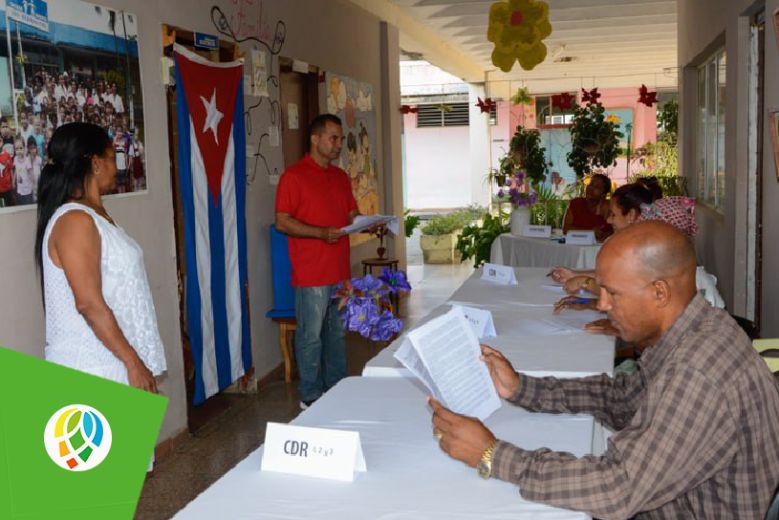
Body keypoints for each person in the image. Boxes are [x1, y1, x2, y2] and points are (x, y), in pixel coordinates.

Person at [430, 222, 779, 518]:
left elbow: (618, 488)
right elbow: (623, 398)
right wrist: (522, 387)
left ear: (659, 293)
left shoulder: (699, 372)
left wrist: (493, 455)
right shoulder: (695, 328)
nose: (601, 304)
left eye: (613, 293)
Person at [35, 122, 166, 395]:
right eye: (112, 157)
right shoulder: (74, 221)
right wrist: (132, 361)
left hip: (110, 364)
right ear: (95, 163)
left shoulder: (93, 216)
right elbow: (88, 303)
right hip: (90, 371)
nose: (116, 166)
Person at [275, 113, 357, 409]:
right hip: (311, 273)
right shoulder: (294, 177)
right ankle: (310, 396)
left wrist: (368, 223)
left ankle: (337, 389)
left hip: (339, 271)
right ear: (315, 138)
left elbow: (350, 216)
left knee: (336, 334)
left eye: (340, 139)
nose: (338, 145)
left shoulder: (340, 177)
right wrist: (321, 233)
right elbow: (282, 222)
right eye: (333, 138)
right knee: (311, 336)